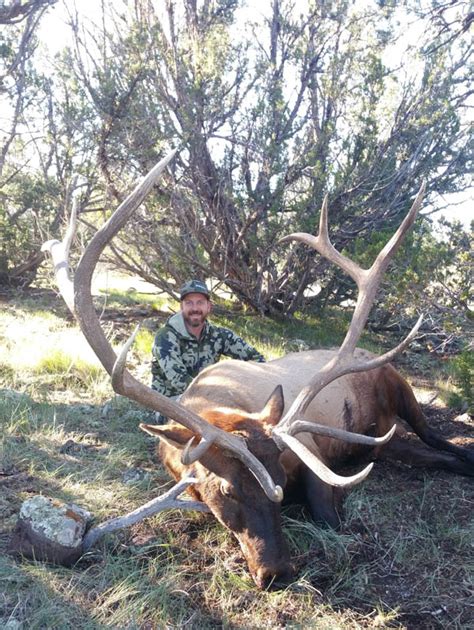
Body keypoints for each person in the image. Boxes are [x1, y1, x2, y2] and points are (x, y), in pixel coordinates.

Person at [151, 279, 265, 422]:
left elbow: (257, 360)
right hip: (172, 401)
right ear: (181, 307)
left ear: (209, 307)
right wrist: (219, 395)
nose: (195, 308)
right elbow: (180, 381)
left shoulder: (219, 335)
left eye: (200, 302)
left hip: (209, 397)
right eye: (189, 303)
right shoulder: (165, 337)